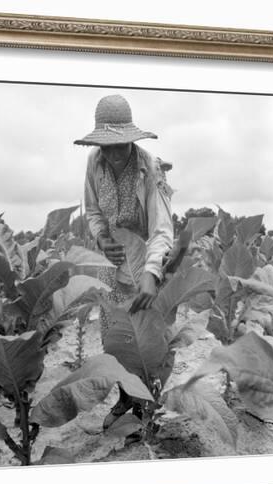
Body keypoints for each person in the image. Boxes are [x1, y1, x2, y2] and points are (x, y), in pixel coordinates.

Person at [74, 94, 174, 323]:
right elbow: (93, 210)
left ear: (131, 139)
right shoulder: (95, 161)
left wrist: (151, 273)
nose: (114, 154)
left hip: (146, 263)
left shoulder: (150, 168)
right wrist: (102, 239)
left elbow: (162, 229)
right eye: (107, 147)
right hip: (111, 263)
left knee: (146, 335)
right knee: (113, 331)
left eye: (120, 145)